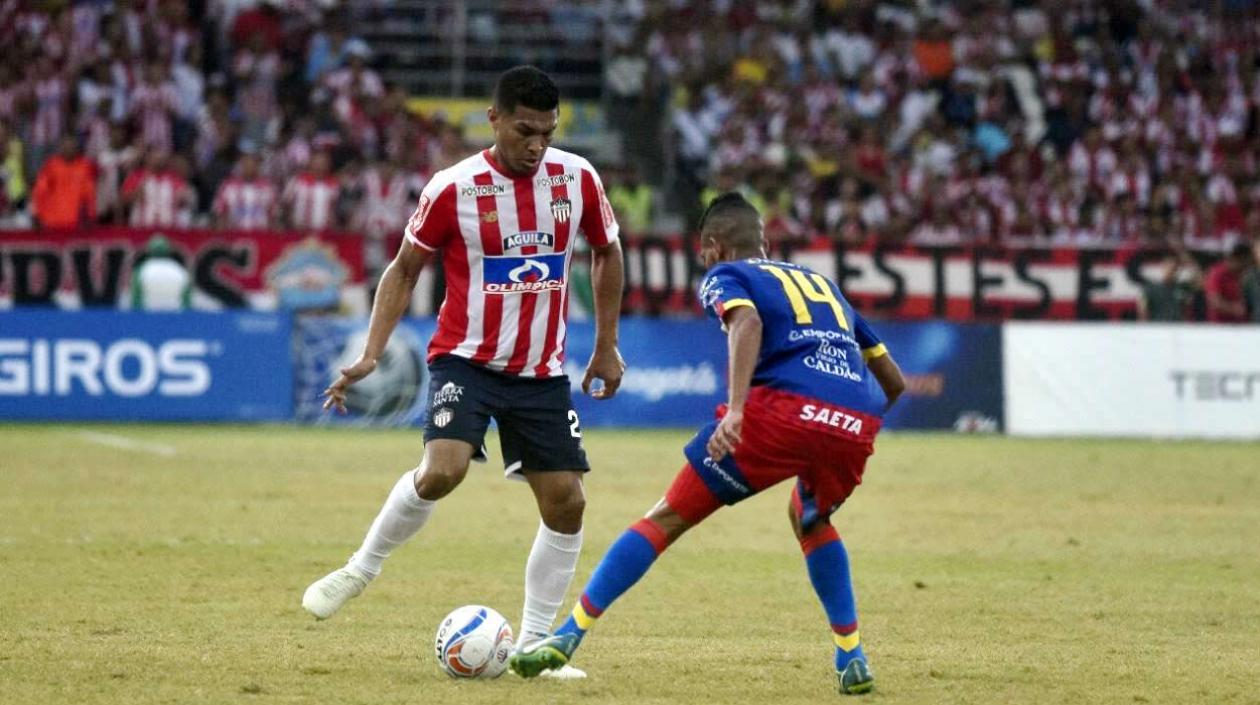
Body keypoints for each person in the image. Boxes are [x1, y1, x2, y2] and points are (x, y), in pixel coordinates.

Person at [301, 66, 626, 680]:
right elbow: (403, 269)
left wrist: (606, 345)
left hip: (540, 370)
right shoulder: (454, 187)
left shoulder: (577, 177)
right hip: (466, 359)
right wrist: (372, 352)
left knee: (567, 503)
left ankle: (534, 646)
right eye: (525, 131)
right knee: (444, 470)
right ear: (495, 119)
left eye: (548, 134)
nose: (537, 145)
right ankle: (360, 568)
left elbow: (607, 251)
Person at [510, 193, 906, 695]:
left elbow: (748, 322)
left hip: (778, 412)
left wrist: (738, 410)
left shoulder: (729, 277)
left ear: (714, 246)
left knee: (666, 518)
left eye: (703, 254)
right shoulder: (822, 283)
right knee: (811, 518)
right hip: (853, 422)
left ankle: (566, 636)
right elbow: (893, 383)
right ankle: (851, 653)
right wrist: (850, 428)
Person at [1137, 251, 1200, 322]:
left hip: (1179, 327)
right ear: (1163, 267)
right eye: (1169, 266)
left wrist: (1185, 257)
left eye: (1175, 268)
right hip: (1158, 327)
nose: (1172, 270)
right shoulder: (1151, 288)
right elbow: (1143, 312)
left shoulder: (1183, 287)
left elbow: (1199, 279)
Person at [1203, 243, 1253, 324]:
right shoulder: (1217, 273)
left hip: (1241, 326)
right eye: (1245, 263)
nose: (1246, 267)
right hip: (1221, 327)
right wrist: (1234, 309)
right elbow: (1214, 301)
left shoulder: (1243, 275)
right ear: (1236, 259)